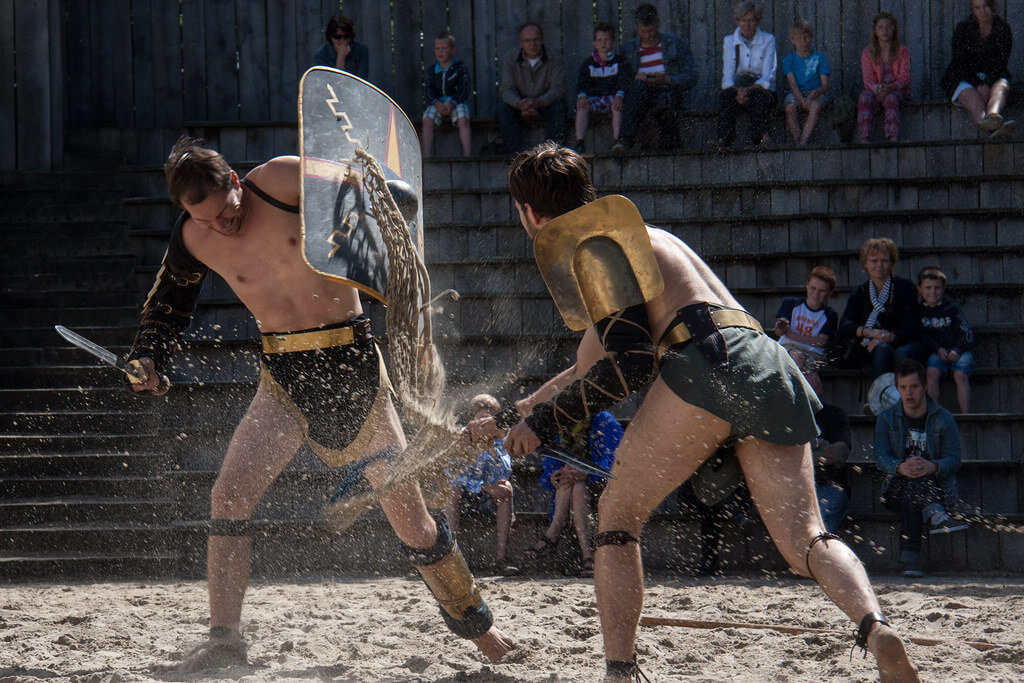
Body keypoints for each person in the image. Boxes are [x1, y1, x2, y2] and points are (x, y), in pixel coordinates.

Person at [469, 143, 919, 682]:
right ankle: (874, 627)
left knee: (615, 519)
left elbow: (631, 363)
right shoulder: (650, 241)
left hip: (703, 364)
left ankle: (619, 671)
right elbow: (583, 369)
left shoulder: (595, 249)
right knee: (806, 539)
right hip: (767, 363)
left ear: (530, 214)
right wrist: (510, 419)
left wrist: (542, 426)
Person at [127, 138, 513, 671]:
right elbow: (167, 309)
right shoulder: (193, 238)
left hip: (352, 362)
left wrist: (388, 206)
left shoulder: (283, 179)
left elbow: (376, 189)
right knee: (229, 496)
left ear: (236, 182)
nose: (221, 226)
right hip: (282, 374)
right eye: (205, 219)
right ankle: (224, 638)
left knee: (412, 522)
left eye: (225, 211)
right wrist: (149, 359)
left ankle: (481, 629)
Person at [875, 360, 968, 578]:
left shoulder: (944, 419)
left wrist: (932, 466)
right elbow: (880, 457)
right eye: (903, 387)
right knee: (910, 479)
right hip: (895, 486)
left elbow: (954, 459)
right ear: (897, 388)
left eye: (914, 386)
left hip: (937, 486)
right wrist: (899, 467)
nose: (908, 393)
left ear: (925, 386)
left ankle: (911, 561)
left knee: (914, 487)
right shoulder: (886, 419)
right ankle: (936, 514)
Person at [524, 411, 623, 577]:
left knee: (577, 485)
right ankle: (588, 556)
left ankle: (552, 536)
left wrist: (586, 473)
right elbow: (547, 474)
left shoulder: (605, 422)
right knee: (570, 480)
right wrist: (553, 477)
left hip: (603, 488)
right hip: (568, 494)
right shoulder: (558, 429)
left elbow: (614, 463)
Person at [443, 395, 517, 574]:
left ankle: (501, 557)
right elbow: (452, 474)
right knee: (452, 490)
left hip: (488, 498)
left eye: (488, 419)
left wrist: (491, 449)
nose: (484, 423)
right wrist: (484, 486)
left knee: (506, 488)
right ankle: (448, 556)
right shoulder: (461, 437)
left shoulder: (500, 439)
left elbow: (504, 471)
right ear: (472, 420)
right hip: (464, 496)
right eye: (480, 419)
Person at [613, 3, 697, 152]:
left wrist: (668, 79)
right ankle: (625, 140)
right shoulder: (628, 49)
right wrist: (635, 79)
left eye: (651, 30)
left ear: (657, 23)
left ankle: (670, 146)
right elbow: (621, 79)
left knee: (664, 102)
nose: (647, 35)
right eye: (643, 31)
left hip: (667, 90)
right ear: (637, 27)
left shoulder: (675, 44)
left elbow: (692, 76)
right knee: (638, 89)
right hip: (640, 95)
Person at [836, 238, 919, 379]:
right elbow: (845, 323)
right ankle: (880, 397)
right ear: (866, 264)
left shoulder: (905, 287)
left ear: (891, 263)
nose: (879, 265)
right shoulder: (861, 292)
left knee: (887, 349)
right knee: (882, 350)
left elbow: (912, 324)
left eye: (884, 261)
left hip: (901, 341)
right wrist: (868, 332)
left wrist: (888, 337)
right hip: (868, 344)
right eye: (874, 261)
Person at [941, 0, 1015, 139]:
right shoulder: (963, 29)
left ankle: (993, 116)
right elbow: (959, 62)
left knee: (1001, 88)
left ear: (992, 6)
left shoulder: (1002, 29)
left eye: (986, 6)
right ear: (972, 9)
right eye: (977, 7)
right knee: (976, 101)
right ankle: (987, 124)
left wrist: (987, 83)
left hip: (994, 76)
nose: (983, 11)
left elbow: (1001, 62)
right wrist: (978, 84)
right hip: (965, 77)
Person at [497, 22, 566, 155]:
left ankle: (550, 154)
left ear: (542, 40)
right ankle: (519, 155)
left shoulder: (555, 57)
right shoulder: (511, 58)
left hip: (546, 102)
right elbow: (506, 90)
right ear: (520, 43)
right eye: (527, 40)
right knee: (502, 109)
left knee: (560, 108)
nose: (532, 44)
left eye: (536, 39)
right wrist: (519, 104)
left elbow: (558, 89)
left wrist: (538, 102)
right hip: (520, 103)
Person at [714, 1, 777, 148]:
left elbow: (768, 76)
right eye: (743, 20)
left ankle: (762, 137)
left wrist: (747, 91)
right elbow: (727, 76)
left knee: (759, 96)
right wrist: (738, 91)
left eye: (751, 20)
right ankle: (724, 139)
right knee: (726, 96)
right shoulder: (729, 41)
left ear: (758, 21)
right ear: (738, 21)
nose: (747, 24)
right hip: (738, 87)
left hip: (759, 87)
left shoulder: (768, 40)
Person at [772, 265, 838, 397]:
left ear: (829, 292)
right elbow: (779, 332)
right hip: (788, 350)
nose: (815, 294)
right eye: (813, 288)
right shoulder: (791, 303)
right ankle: (786, 396)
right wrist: (781, 327)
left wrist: (791, 334)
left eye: (821, 291)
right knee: (798, 356)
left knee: (814, 383)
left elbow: (820, 342)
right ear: (807, 285)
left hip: (813, 356)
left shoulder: (830, 314)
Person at [917, 267, 975, 414]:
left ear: (943, 289)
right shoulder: (918, 312)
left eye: (937, 288)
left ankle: (966, 414)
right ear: (919, 289)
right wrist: (937, 349)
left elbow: (967, 333)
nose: (933, 292)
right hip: (938, 352)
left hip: (960, 351)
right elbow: (922, 336)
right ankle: (933, 413)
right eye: (928, 288)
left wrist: (957, 349)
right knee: (931, 371)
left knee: (960, 374)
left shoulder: (952, 308)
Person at [572, 23, 633, 153]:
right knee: (581, 106)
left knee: (617, 107)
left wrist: (619, 95)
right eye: (599, 40)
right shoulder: (589, 63)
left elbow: (624, 81)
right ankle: (580, 142)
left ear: (613, 42)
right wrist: (582, 95)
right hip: (595, 99)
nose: (603, 43)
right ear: (595, 43)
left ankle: (618, 141)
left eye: (607, 40)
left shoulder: (620, 61)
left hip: (612, 98)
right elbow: (582, 82)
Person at [857, 12, 911, 143]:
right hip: (877, 90)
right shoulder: (868, 53)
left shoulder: (902, 51)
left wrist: (890, 88)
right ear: (875, 31)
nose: (884, 31)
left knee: (890, 98)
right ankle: (865, 138)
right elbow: (868, 79)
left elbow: (905, 77)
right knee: (864, 96)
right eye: (880, 27)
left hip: (897, 90)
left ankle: (893, 137)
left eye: (888, 27)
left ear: (893, 29)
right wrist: (879, 89)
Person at [421, 31, 473, 158]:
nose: (441, 52)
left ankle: (467, 154)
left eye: (444, 48)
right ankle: (426, 155)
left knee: (463, 119)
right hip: (437, 103)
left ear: (453, 50)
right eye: (438, 49)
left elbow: (464, 89)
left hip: (456, 102)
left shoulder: (460, 68)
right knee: (427, 120)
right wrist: (436, 103)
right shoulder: (432, 70)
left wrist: (453, 103)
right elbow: (429, 90)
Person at [782, 19, 831, 146]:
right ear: (792, 40)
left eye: (806, 38)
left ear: (812, 38)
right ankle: (797, 141)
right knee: (790, 107)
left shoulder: (820, 58)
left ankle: (803, 143)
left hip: (815, 92)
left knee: (815, 106)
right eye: (798, 38)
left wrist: (817, 92)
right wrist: (802, 100)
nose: (803, 42)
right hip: (796, 93)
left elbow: (825, 85)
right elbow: (792, 84)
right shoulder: (788, 60)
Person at [812, 403, 852, 534]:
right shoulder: (787, 416)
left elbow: (839, 454)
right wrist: (818, 447)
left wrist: (801, 450)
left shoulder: (833, 414)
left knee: (817, 528)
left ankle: (811, 552)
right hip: (793, 487)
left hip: (829, 487)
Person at [312, 14, 369, 80]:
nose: (342, 40)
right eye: (337, 37)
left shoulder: (361, 50)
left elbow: (362, 80)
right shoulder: (321, 55)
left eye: (346, 37)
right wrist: (341, 58)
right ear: (330, 37)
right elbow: (329, 83)